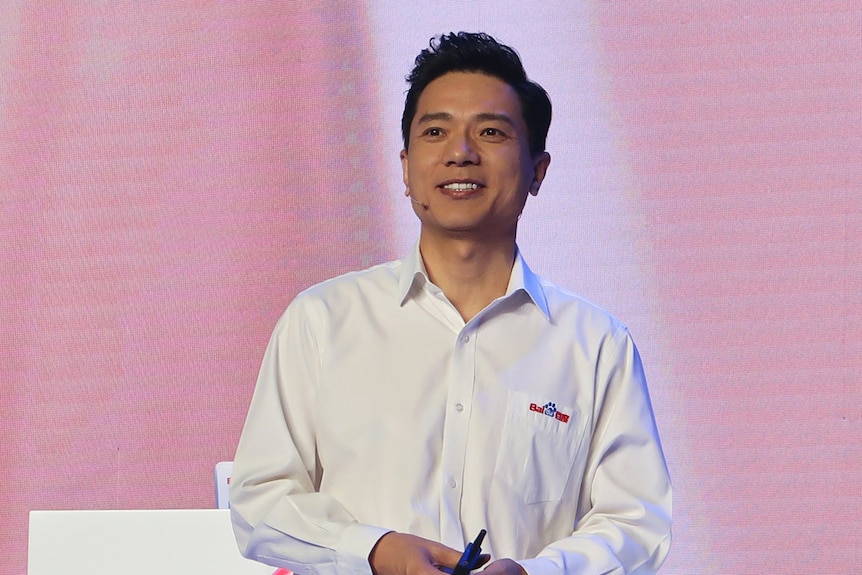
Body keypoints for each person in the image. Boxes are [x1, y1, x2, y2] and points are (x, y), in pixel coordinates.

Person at [230, 32, 671, 575]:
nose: (460, 153)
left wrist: (537, 573)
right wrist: (374, 550)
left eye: (490, 132)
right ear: (407, 166)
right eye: (436, 132)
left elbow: (635, 524)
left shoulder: (597, 344)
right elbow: (260, 502)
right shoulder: (322, 321)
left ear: (538, 170)